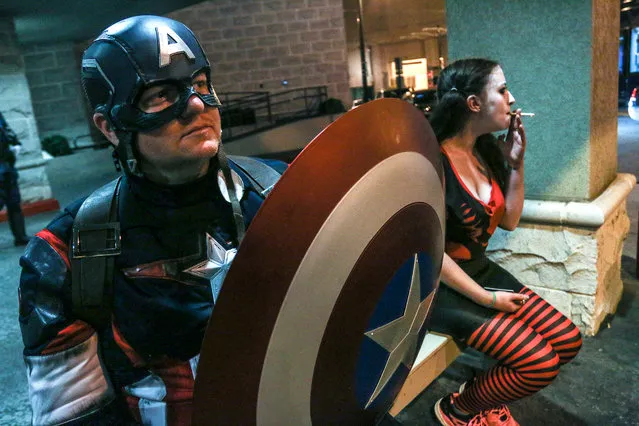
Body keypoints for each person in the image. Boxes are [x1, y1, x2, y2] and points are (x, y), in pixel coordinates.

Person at [18, 15, 286, 425]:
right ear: (110, 127)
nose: (196, 104)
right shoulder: (63, 255)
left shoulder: (287, 191)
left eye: (199, 84)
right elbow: (74, 416)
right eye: (161, 95)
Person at [427, 58, 582, 426]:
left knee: (567, 340)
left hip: (477, 270)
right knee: (539, 363)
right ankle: (458, 410)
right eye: (502, 90)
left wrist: (516, 163)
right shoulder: (433, 162)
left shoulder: (486, 150)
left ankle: (482, 395)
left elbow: (509, 220)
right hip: (437, 284)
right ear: (474, 104)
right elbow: (430, 251)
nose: (511, 99)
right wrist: (487, 299)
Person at [0, 111, 31, 246]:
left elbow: (6, 129)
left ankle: (20, 236)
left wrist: (15, 143)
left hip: (6, 164)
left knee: (14, 202)